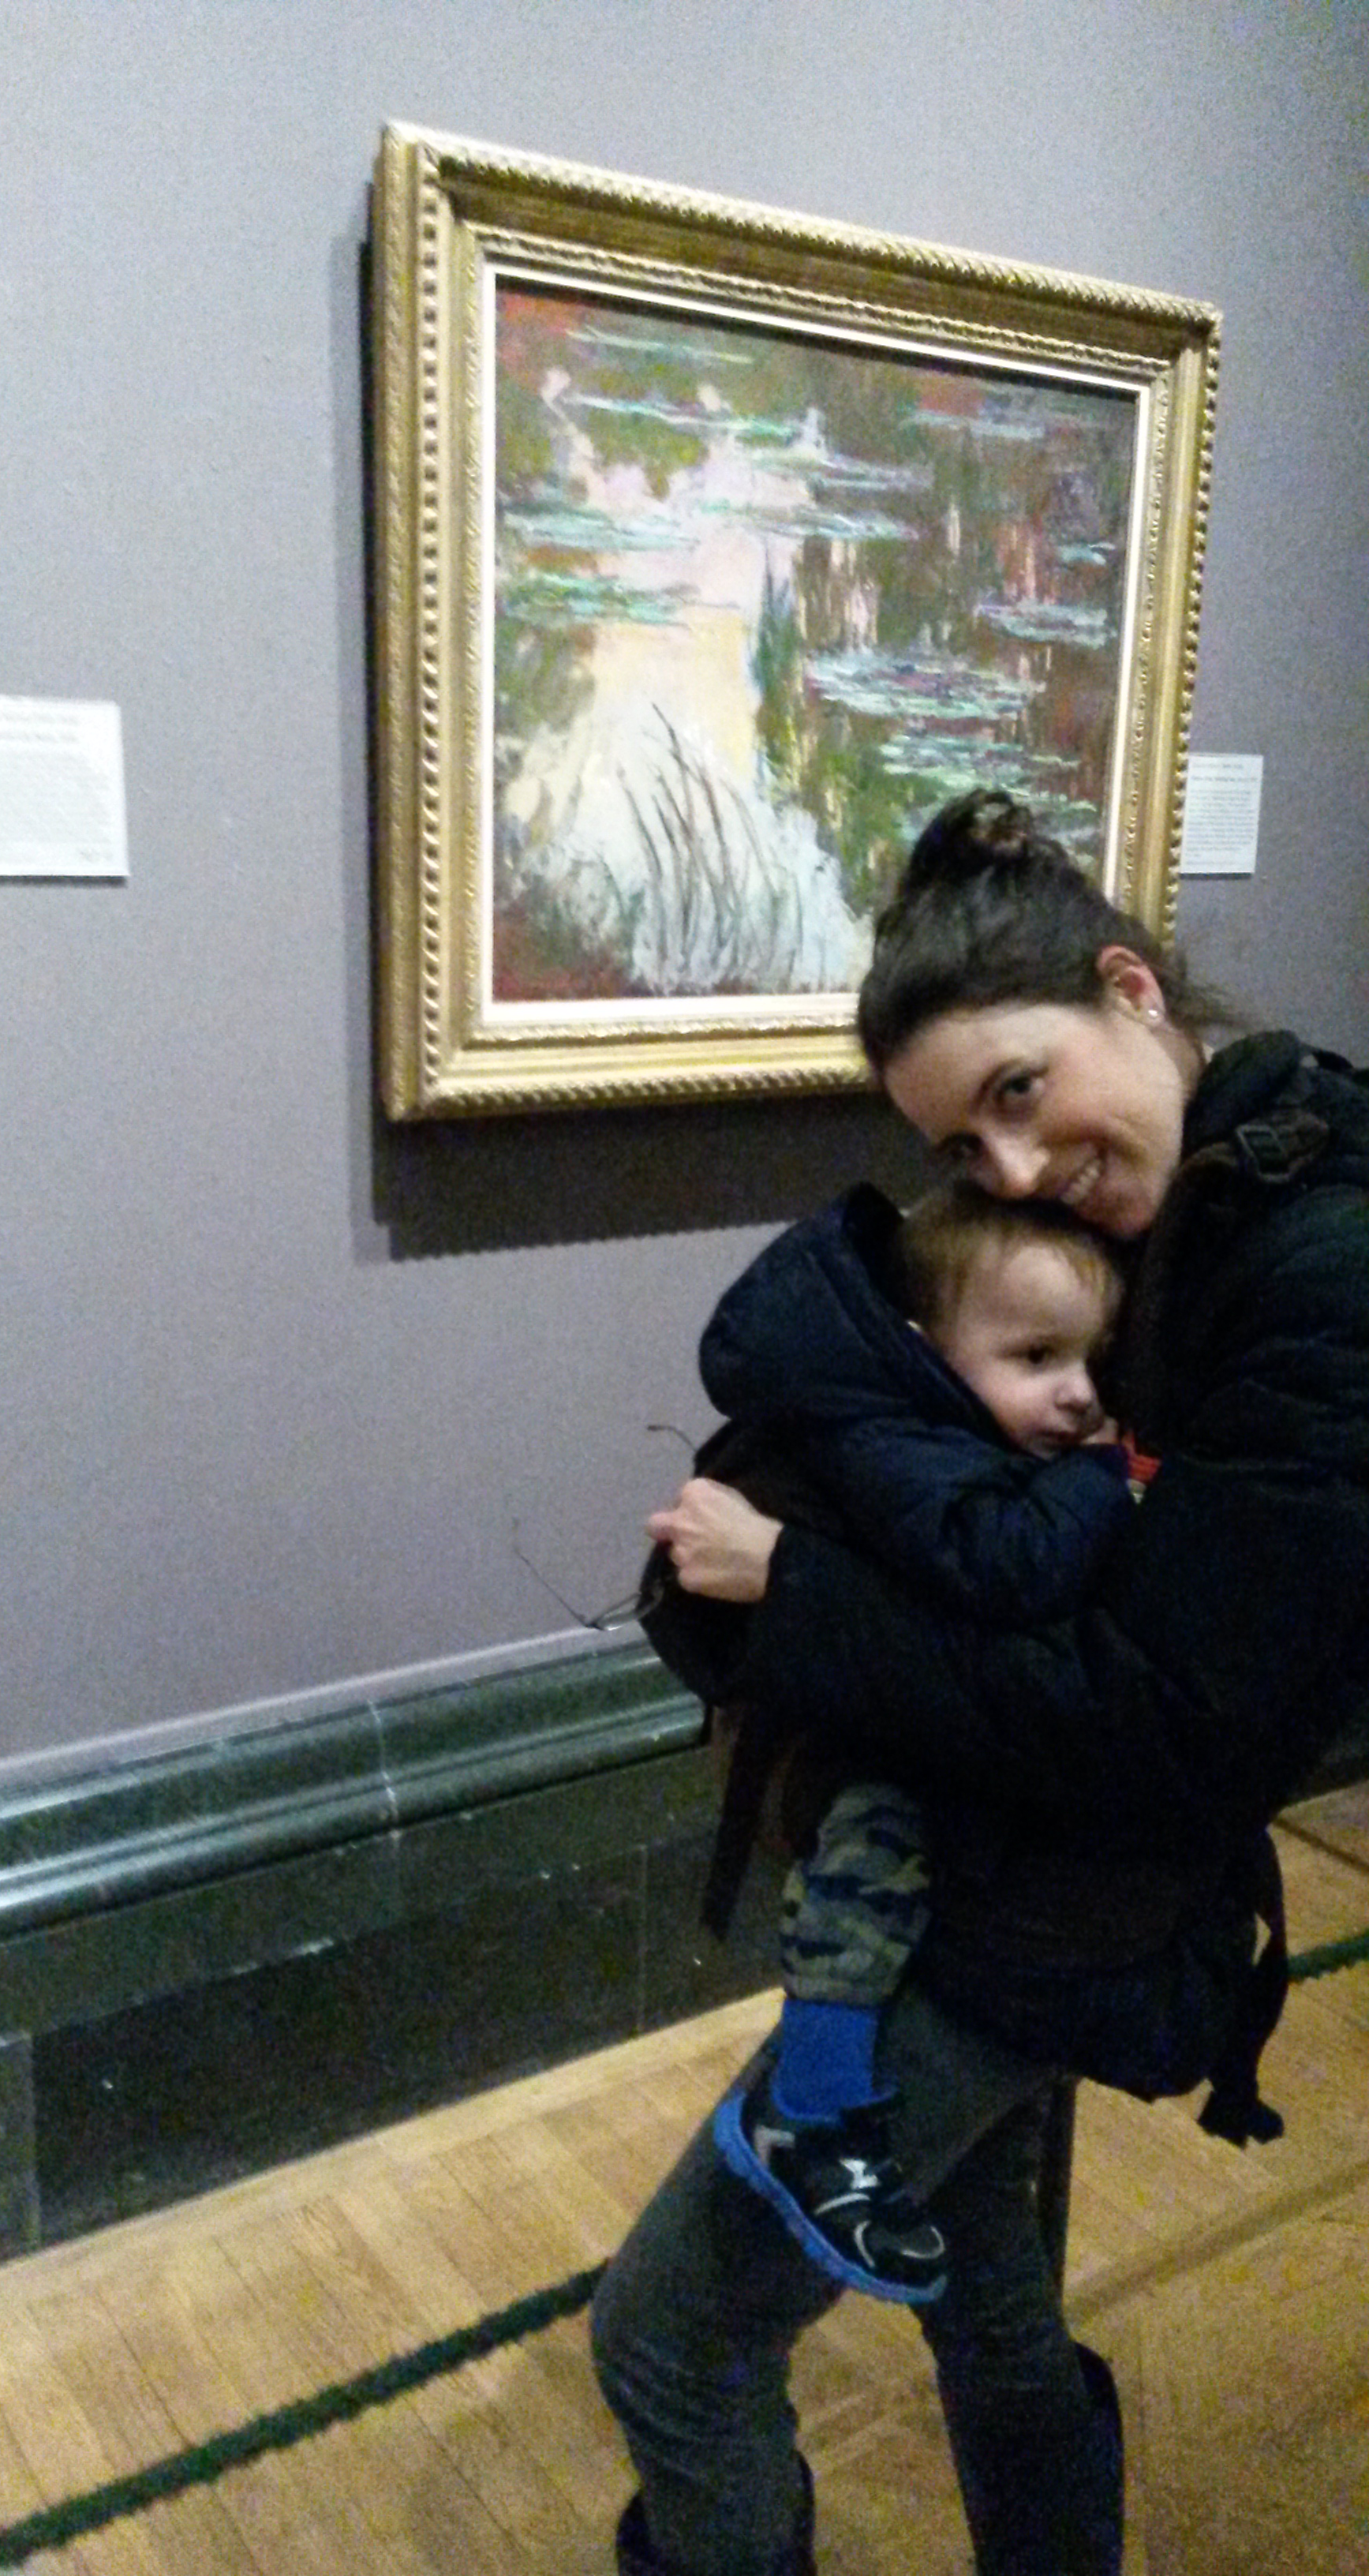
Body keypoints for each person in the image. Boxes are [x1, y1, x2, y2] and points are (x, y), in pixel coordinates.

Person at [592, 788, 1369, 2576]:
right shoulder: (1194, 1216)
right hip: (1012, 1872)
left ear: (1131, 992)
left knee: (672, 2338)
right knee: (992, 2309)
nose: (1009, 1170)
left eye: (1022, 1091)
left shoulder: (1311, 1264)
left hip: (1044, 1912)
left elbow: (1166, 1720)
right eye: (965, 1142)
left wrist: (797, 1587)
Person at [641, 1180, 1134, 2308]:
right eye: (1037, 1358)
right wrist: (1102, 1478)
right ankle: (808, 2108)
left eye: (1092, 1360)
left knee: (988, 2227)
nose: (1079, 1395)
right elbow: (1004, 1564)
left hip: (915, 1724)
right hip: (851, 1748)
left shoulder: (932, 1420)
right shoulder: (900, 1438)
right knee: (873, 1862)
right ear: (926, 1350)